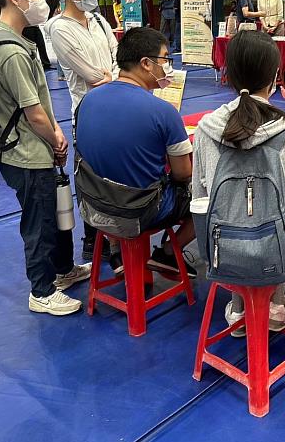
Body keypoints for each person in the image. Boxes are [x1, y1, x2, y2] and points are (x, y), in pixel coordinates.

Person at [0, 0, 90, 315]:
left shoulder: (14, 39)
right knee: (39, 222)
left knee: (54, 214)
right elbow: (34, 111)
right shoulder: (9, 51)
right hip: (26, 153)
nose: (42, 0)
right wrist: (57, 138)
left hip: (34, 146)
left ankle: (63, 270)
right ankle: (41, 291)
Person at [193, 30, 285, 335]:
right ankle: (278, 305)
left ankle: (238, 307)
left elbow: (200, 198)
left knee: (235, 221)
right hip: (280, 258)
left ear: (229, 74)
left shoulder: (205, 129)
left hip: (222, 252)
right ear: (275, 76)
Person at [76, 27, 196, 277]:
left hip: (93, 204)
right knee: (208, 197)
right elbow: (183, 174)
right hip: (139, 211)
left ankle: (117, 249)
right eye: (165, 59)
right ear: (146, 63)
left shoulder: (87, 101)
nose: (167, 67)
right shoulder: (163, 112)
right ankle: (168, 253)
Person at [44, 0, 121, 267]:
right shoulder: (59, 28)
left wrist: (112, 75)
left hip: (116, 105)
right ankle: (95, 241)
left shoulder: (100, 21)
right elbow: (91, 76)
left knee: (116, 175)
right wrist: (112, 75)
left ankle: (115, 238)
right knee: (94, 179)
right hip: (88, 114)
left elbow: (119, 59)